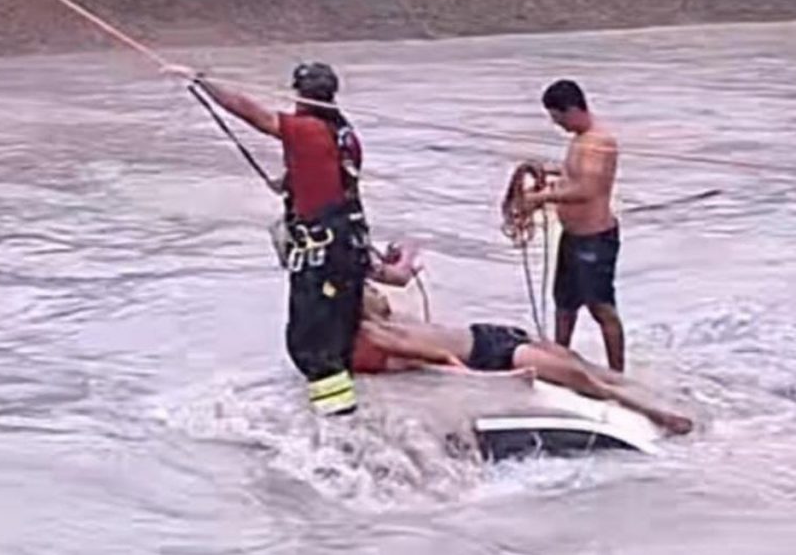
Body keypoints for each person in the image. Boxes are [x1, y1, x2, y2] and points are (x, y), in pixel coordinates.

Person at [195, 63, 371, 417]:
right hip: (348, 244)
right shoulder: (342, 132)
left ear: (299, 94)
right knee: (336, 333)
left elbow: (254, 115)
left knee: (311, 339)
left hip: (325, 251)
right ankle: (341, 409)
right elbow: (331, 175)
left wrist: (204, 83)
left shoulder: (306, 128)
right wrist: (289, 183)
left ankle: (336, 417)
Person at [351, 277, 693, 436]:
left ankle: (654, 394)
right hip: (494, 353)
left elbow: (396, 276)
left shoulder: (393, 321)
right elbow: (436, 362)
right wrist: (501, 380)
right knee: (584, 380)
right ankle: (657, 414)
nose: (377, 292)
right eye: (370, 291)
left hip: (490, 332)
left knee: (581, 363)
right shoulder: (377, 335)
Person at [523, 80, 625, 371]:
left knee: (601, 307)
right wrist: (548, 171)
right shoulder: (581, 139)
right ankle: (560, 361)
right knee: (565, 305)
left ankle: (617, 373)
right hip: (572, 236)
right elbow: (576, 174)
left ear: (572, 110)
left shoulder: (597, 142)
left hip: (594, 238)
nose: (557, 125)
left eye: (558, 118)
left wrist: (541, 197)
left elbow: (587, 189)